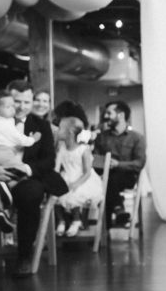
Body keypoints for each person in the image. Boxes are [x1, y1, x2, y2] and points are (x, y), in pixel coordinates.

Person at [0, 80, 66, 277]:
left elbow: (48, 160)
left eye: (26, 102)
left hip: (25, 178)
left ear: (32, 102)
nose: (20, 107)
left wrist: (26, 169)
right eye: (16, 101)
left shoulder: (41, 125)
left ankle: (24, 255)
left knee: (32, 193)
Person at [0, 89, 42, 232]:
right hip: (4, 154)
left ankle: (1, 210)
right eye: (9, 106)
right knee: (20, 170)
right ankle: (5, 200)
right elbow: (21, 139)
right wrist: (34, 138)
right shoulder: (5, 124)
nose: (14, 108)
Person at [94, 100, 146, 228]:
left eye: (109, 113)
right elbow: (94, 159)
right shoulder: (101, 137)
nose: (106, 116)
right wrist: (104, 163)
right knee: (106, 181)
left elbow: (139, 163)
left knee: (109, 181)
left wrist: (118, 164)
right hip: (104, 176)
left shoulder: (137, 138)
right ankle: (119, 210)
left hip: (126, 177)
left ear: (121, 115)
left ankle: (105, 231)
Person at [54, 116, 104, 237]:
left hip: (83, 179)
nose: (57, 130)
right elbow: (56, 167)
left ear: (70, 132)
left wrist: (76, 184)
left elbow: (87, 172)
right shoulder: (61, 148)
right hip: (66, 175)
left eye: (60, 128)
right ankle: (61, 220)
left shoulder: (83, 149)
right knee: (56, 193)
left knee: (74, 193)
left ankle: (77, 220)